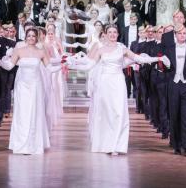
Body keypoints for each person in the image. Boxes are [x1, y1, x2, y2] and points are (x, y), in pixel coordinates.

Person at [66, 24, 157, 155]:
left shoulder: (122, 48)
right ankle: (107, 144)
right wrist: (71, 65)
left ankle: (117, 145)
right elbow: (89, 66)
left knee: (119, 112)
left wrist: (157, 58)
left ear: (118, 34)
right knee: (107, 113)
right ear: (106, 34)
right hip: (104, 83)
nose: (113, 34)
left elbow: (138, 59)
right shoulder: (100, 49)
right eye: (110, 32)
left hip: (118, 82)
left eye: (115, 32)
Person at [0, 27, 56, 155]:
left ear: (36, 38)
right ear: (25, 37)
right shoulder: (19, 50)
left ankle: (34, 144)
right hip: (22, 86)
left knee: (34, 113)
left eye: (33, 36)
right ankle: (21, 144)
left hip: (36, 86)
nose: (31, 38)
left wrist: (63, 65)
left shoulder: (41, 52)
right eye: (29, 36)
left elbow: (50, 68)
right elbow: (9, 66)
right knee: (23, 114)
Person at [160, 25, 186, 156]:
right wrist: (164, 66)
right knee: (174, 117)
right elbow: (164, 69)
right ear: (175, 35)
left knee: (185, 118)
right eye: (180, 33)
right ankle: (176, 145)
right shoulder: (169, 49)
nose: (182, 35)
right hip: (173, 85)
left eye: (184, 33)